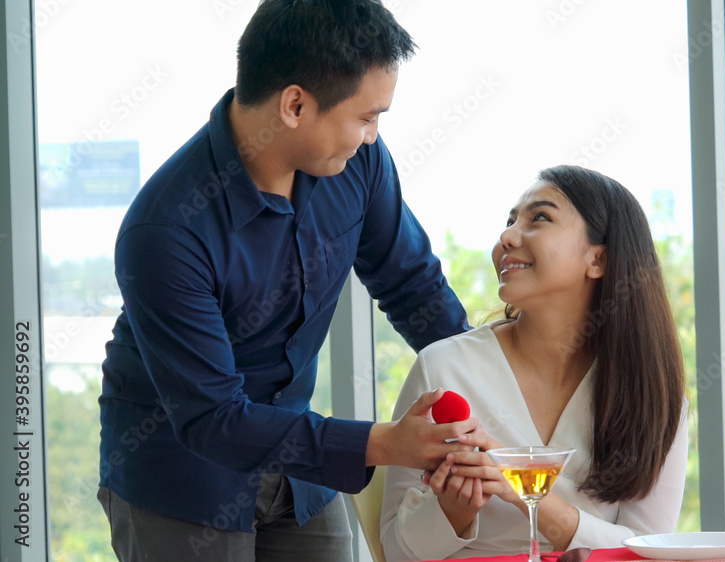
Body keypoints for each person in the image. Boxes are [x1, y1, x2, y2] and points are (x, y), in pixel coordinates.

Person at [96, 1, 485, 560]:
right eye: (367, 117)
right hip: (182, 476)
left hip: (304, 467)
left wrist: (486, 385)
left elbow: (413, 285)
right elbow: (214, 419)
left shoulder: (358, 165)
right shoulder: (167, 228)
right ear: (296, 104)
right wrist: (386, 444)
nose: (372, 137)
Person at [380, 165, 689, 560]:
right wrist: (453, 511)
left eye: (539, 217)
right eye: (509, 222)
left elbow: (647, 551)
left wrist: (525, 493)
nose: (506, 237)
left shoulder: (652, 394)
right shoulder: (443, 369)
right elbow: (394, 552)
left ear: (599, 259)